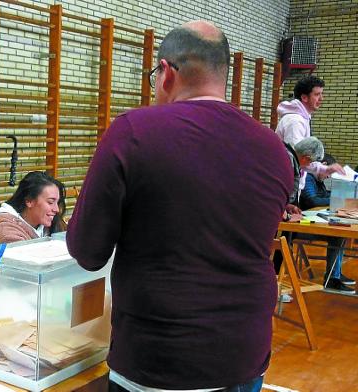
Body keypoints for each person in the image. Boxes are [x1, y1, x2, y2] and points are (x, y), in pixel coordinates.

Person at [67, 21, 293, 392]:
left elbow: (88, 251)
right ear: (223, 75)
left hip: (160, 360)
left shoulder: (134, 131)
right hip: (245, 351)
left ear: (166, 72)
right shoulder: (273, 148)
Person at [287, 145, 354, 292]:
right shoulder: (309, 177)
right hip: (299, 225)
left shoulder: (317, 180)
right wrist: (334, 198)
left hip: (302, 220)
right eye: (328, 173)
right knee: (337, 236)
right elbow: (313, 200)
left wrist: (332, 196)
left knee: (339, 233)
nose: (328, 176)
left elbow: (321, 196)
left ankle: (334, 275)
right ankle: (332, 278)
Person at [275, 75, 344, 184]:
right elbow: (297, 158)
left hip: (290, 182)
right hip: (287, 183)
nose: (321, 98)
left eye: (322, 94)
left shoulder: (302, 118)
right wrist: (324, 169)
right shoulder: (295, 121)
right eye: (317, 94)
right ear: (304, 97)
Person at [0, 171, 65, 244]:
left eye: (57, 203)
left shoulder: (52, 223)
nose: (56, 209)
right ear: (29, 201)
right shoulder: (6, 231)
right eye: (50, 202)